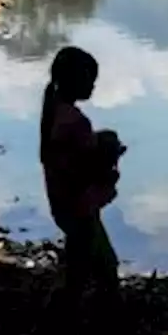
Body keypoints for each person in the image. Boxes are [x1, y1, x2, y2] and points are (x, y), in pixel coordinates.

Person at [39, 46, 125, 316]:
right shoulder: (74, 121)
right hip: (78, 208)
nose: (93, 86)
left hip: (66, 205)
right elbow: (80, 169)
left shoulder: (55, 112)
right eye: (90, 79)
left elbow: (65, 157)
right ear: (76, 80)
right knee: (85, 274)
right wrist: (108, 159)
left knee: (95, 265)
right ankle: (58, 329)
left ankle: (91, 321)